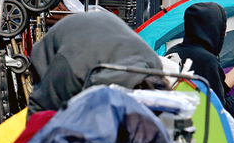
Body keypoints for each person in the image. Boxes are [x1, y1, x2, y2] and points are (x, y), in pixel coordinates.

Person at [28, 10, 167, 114]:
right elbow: (39, 110)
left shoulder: (153, 68)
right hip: (66, 46)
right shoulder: (69, 70)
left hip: (102, 32)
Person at [166, 2, 234, 131]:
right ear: (211, 29)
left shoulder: (174, 51)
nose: (225, 34)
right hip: (202, 127)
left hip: (175, 120)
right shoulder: (206, 60)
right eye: (222, 29)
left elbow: (217, 89)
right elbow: (221, 110)